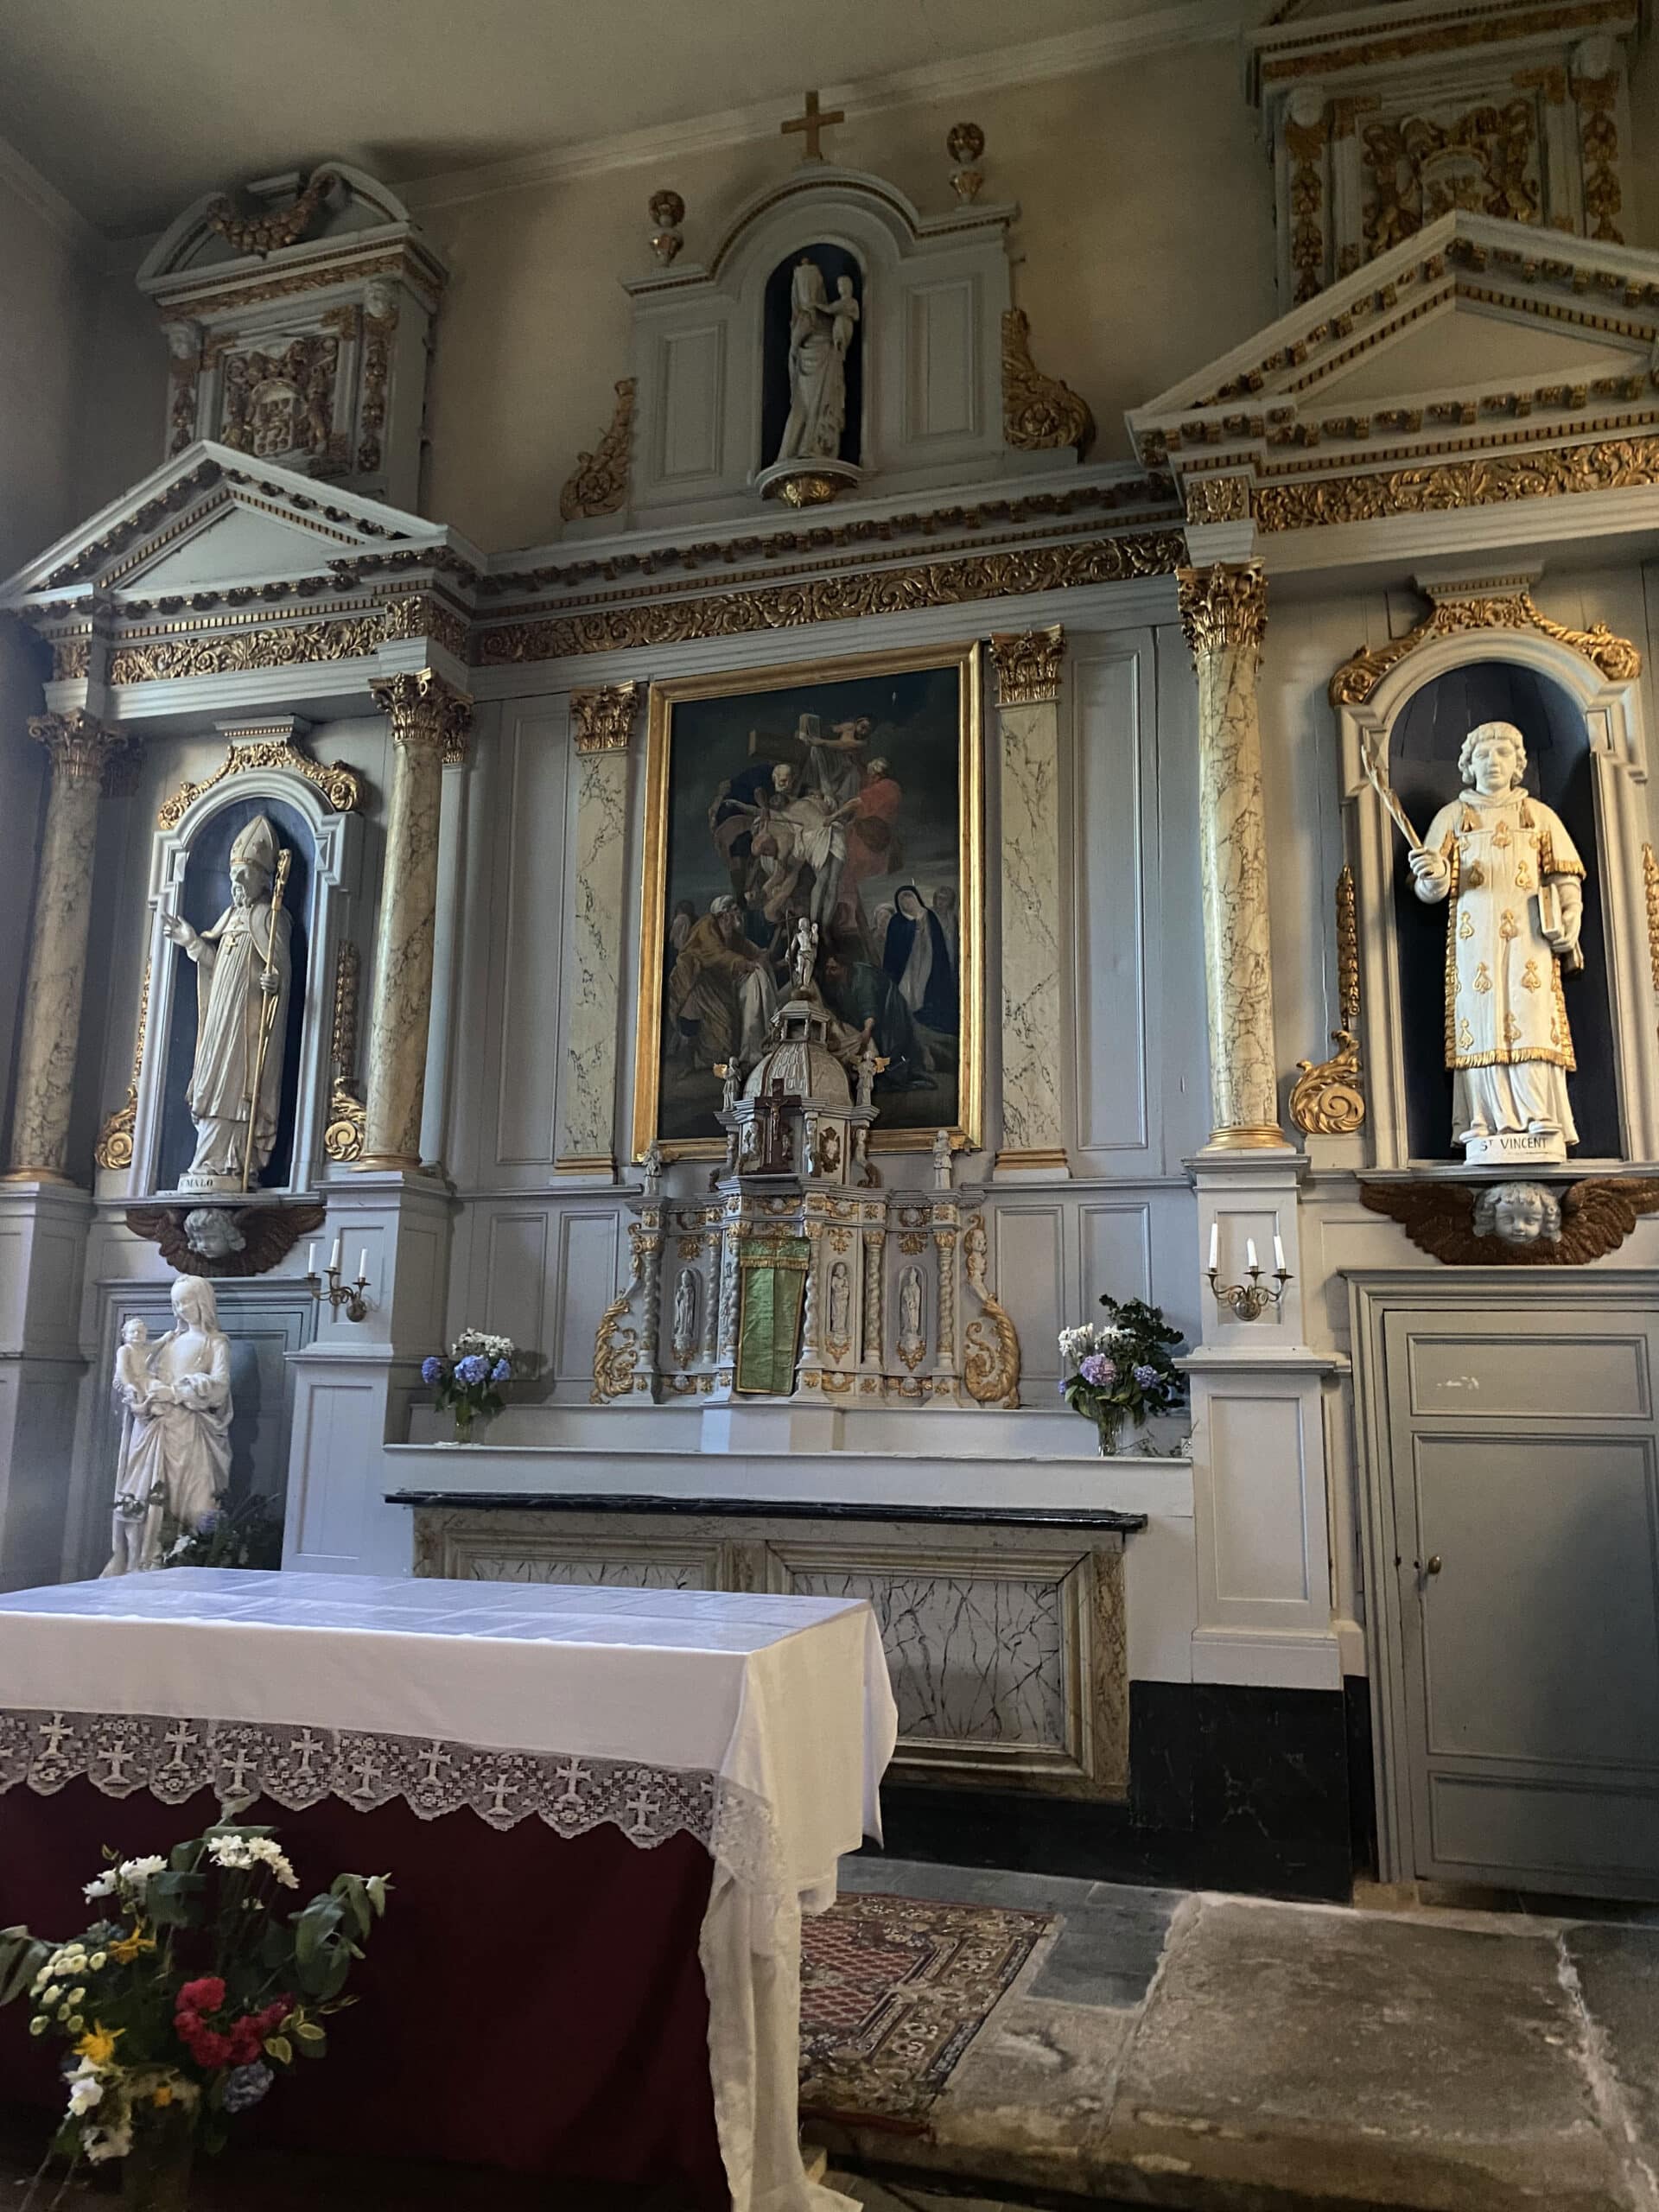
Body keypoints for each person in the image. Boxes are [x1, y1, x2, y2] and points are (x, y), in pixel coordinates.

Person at [1408, 721, 1584, 1155]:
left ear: (1518, 764)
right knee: (1480, 1019)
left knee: (1531, 1011)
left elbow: (1565, 878)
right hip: (1475, 942)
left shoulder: (1539, 816)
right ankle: (1483, 1119)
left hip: (1531, 941)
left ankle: (1538, 1114)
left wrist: (1570, 918)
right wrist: (1430, 877)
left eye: (1503, 754)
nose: (1493, 763)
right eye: (1482, 756)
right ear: (1468, 766)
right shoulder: (1453, 817)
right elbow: (1432, 887)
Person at [161, 813, 291, 1192]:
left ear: (263, 879)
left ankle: (233, 1163)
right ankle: (205, 1161)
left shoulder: (271, 917)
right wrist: (193, 943)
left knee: (236, 1090)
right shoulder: (229, 918)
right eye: (233, 873)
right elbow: (217, 969)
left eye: (244, 874)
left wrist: (275, 981)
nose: (236, 881)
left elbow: (280, 968)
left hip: (247, 1026)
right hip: (221, 1018)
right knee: (210, 1082)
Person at [105, 1277, 232, 1575]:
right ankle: (147, 1561)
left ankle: (187, 1560)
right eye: (176, 1303)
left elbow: (220, 1388)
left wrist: (175, 1393)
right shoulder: (167, 1341)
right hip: (155, 1430)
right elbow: (138, 1377)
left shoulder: (215, 1343)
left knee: (197, 1505)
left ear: (202, 1303)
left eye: (186, 1301)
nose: (180, 1308)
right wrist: (139, 1395)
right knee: (148, 1499)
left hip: (192, 1433)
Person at [667, 896, 779, 1066]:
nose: (739, 914)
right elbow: (715, 953)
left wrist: (763, 958)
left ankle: (761, 1042)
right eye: (734, 910)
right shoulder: (707, 926)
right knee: (719, 1027)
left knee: (757, 977)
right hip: (697, 983)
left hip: (719, 988)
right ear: (723, 914)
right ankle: (693, 1061)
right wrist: (743, 963)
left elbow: (751, 951)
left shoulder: (732, 935)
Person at [882, 884, 958, 1035]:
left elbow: (938, 943)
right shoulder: (897, 921)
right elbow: (892, 949)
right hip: (905, 966)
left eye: (909, 898)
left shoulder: (929, 916)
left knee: (925, 990)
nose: (907, 903)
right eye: (902, 900)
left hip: (928, 960)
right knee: (906, 993)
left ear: (916, 898)